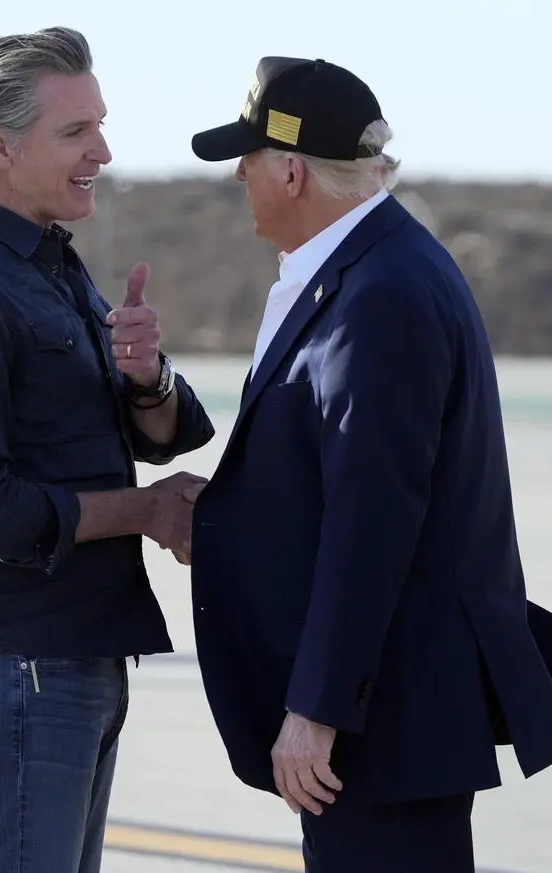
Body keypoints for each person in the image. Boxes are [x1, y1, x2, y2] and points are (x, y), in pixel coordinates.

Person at [187, 55, 552, 873]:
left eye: (247, 157)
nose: (238, 174)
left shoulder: (380, 292)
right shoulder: (366, 268)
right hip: (385, 714)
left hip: (384, 721)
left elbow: (374, 520)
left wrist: (317, 710)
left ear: (289, 171)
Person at [0, 27, 213, 873]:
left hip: (71, 658)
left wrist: (147, 376)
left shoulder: (48, 266)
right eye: (76, 132)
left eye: (98, 126)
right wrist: (145, 511)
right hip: (17, 669)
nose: (101, 150)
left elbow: (157, 429)